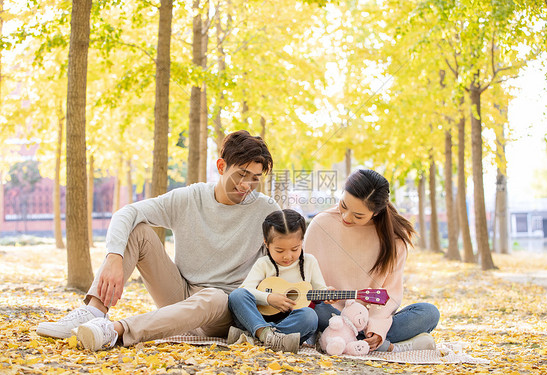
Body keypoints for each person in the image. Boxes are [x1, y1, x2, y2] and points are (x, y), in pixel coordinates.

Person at [36, 130, 280, 351]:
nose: (247, 185)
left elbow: (288, 254)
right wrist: (114, 256)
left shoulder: (266, 210)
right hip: (180, 293)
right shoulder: (190, 198)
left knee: (214, 297)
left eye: (255, 178)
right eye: (241, 174)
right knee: (139, 231)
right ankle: (92, 311)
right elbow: (127, 213)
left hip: (224, 308)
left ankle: (114, 331)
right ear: (221, 166)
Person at [304, 169, 440, 353]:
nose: (346, 217)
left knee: (429, 313)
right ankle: (391, 347)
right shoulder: (321, 225)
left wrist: (377, 328)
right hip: (331, 314)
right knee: (313, 312)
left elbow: (390, 293)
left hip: (368, 318)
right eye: (343, 205)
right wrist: (320, 291)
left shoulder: (394, 240)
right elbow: (303, 276)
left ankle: (343, 340)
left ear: (376, 213)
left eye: (358, 216)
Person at [227, 209, 329, 353]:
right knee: (237, 295)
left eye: (295, 249)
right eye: (280, 251)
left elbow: (320, 291)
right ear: (266, 243)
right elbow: (245, 289)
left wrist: (328, 294)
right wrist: (269, 298)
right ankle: (267, 335)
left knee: (310, 316)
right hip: (258, 319)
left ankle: (255, 337)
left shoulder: (309, 262)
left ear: (302, 242)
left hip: (289, 322)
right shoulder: (263, 264)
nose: (288, 256)